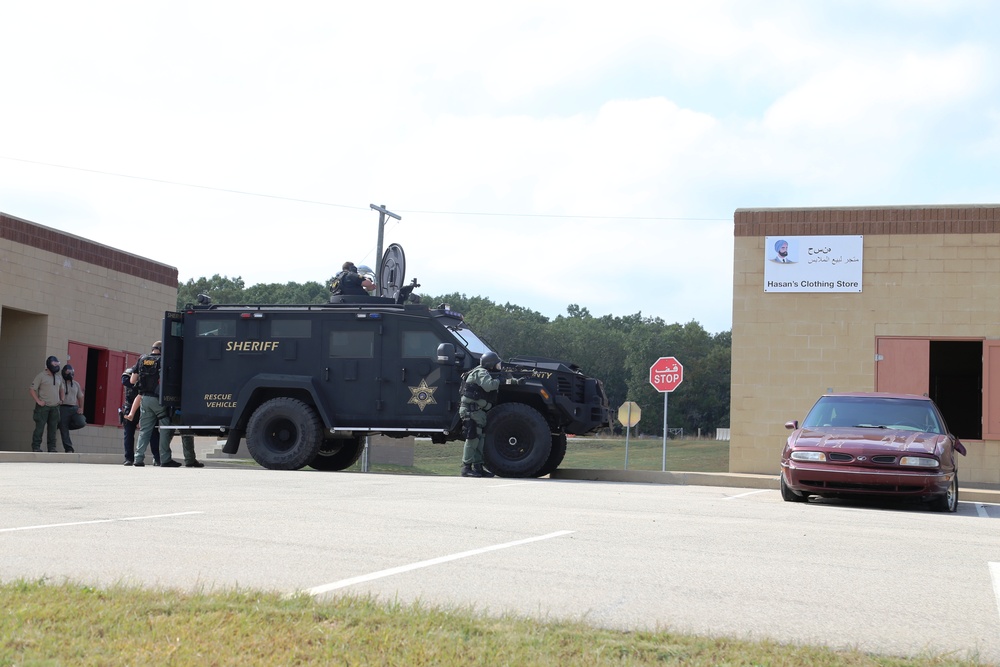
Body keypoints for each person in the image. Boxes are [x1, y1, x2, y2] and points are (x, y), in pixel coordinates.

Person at [130, 340, 203, 468]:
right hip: (159, 400)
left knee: (144, 430)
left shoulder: (142, 359)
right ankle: (165, 459)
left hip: (144, 399)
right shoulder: (163, 361)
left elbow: (132, 380)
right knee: (164, 429)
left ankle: (138, 458)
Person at [458, 351, 503, 478]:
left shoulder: (482, 372)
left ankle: (478, 467)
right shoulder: (481, 372)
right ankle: (466, 468)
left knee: (479, 440)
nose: (498, 366)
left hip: (478, 412)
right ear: (490, 364)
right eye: (497, 364)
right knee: (472, 439)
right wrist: (500, 380)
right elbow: (489, 386)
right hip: (471, 411)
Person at [121, 365, 160, 466]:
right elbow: (126, 381)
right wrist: (139, 380)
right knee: (128, 433)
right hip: (130, 406)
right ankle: (129, 458)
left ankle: (157, 458)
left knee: (153, 433)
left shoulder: (151, 374)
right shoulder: (131, 371)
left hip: (146, 406)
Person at [29, 356, 64, 452]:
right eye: (54, 364)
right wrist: (38, 401)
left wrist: (62, 399)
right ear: (49, 364)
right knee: (40, 428)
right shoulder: (41, 375)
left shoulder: (58, 377)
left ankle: (52, 448)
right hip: (43, 407)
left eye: (58, 364)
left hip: (55, 407)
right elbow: (32, 389)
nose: (56, 366)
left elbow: (61, 388)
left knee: (53, 429)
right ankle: (36, 447)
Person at [57, 364, 84, 453]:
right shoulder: (60, 382)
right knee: (63, 428)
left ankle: (63, 426)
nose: (70, 374)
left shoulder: (76, 384)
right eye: (68, 372)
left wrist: (81, 407)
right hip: (63, 407)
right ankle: (69, 449)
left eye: (71, 372)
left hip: (73, 407)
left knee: (81, 422)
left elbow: (80, 397)